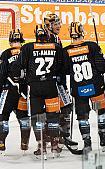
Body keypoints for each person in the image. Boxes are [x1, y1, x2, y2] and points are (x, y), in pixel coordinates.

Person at [12, 23, 65, 157]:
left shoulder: (28, 47)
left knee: (37, 117)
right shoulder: (56, 47)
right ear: (47, 34)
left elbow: (17, 67)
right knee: (53, 117)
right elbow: (62, 67)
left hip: (35, 87)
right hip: (51, 86)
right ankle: (54, 145)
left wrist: (18, 76)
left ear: (36, 34)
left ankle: (41, 147)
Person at [63, 21, 105, 153]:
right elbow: (103, 67)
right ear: (82, 32)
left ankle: (87, 143)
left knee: (82, 116)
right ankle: (103, 139)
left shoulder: (66, 51)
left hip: (79, 89)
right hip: (96, 86)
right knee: (101, 111)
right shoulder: (92, 46)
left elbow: (66, 70)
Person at [0, 29, 30, 153]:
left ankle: (1, 143)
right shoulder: (27, 52)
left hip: (9, 90)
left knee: (2, 115)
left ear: (10, 41)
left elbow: (1, 73)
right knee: (23, 117)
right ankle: (24, 144)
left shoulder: (6, 53)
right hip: (24, 90)